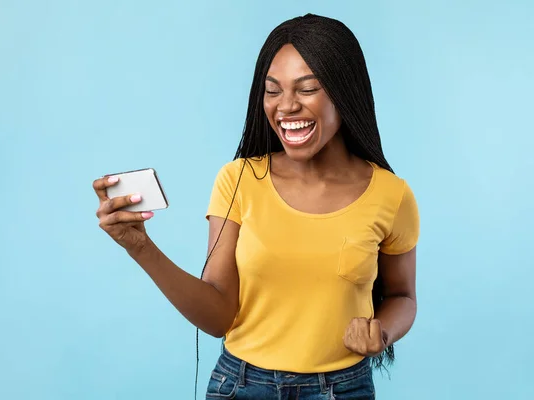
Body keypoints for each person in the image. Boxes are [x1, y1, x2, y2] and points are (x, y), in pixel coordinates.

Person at [93, 13, 419, 400]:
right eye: (272, 90)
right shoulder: (239, 180)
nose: (286, 106)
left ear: (343, 92)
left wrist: (380, 331)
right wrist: (140, 248)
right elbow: (218, 317)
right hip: (241, 386)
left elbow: (402, 297)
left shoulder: (391, 194)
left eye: (307, 88)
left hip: (342, 388)